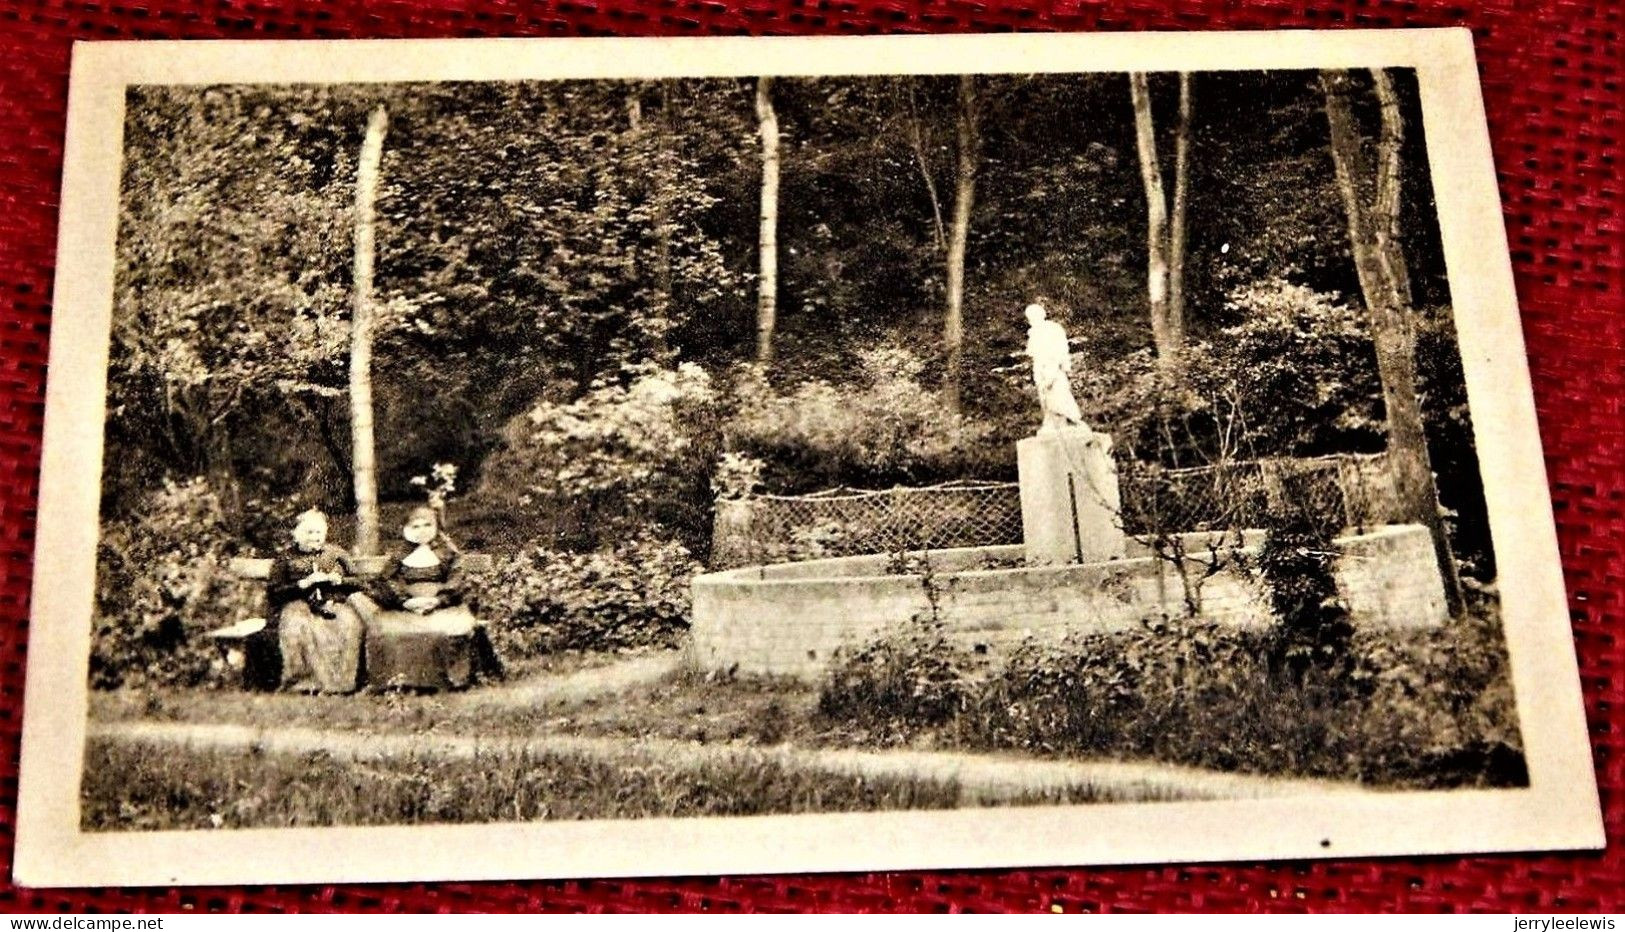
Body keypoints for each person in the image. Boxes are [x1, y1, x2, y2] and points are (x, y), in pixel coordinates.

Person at [361, 506, 503, 690]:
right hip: (405, 607)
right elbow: (386, 580)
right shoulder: (399, 554)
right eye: (416, 526)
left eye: (427, 525)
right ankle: (400, 681)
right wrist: (405, 600)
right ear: (406, 529)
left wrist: (438, 600)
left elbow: (456, 579)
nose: (422, 531)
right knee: (387, 631)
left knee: (450, 629)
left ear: (436, 526)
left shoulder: (448, 552)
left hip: (442, 605)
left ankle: (450, 679)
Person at [270, 509, 364, 694]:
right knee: (298, 624)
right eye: (309, 532)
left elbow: (360, 582)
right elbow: (274, 592)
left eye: (318, 532)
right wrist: (303, 583)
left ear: (325, 533)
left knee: (349, 623)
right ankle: (302, 683)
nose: (314, 537)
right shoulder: (286, 558)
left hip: (333, 602)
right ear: (296, 535)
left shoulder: (336, 553)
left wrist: (339, 580)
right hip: (298, 603)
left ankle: (342, 685)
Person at [1024, 302, 1087, 434]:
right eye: (1030, 318)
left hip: (1053, 368)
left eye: (1033, 316)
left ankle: (1073, 420)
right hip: (1041, 369)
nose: (1031, 320)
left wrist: (1052, 370)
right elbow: (1034, 354)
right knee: (1045, 398)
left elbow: (1059, 350)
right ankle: (1051, 423)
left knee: (1060, 395)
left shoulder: (1052, 329)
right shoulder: (1033, 333)